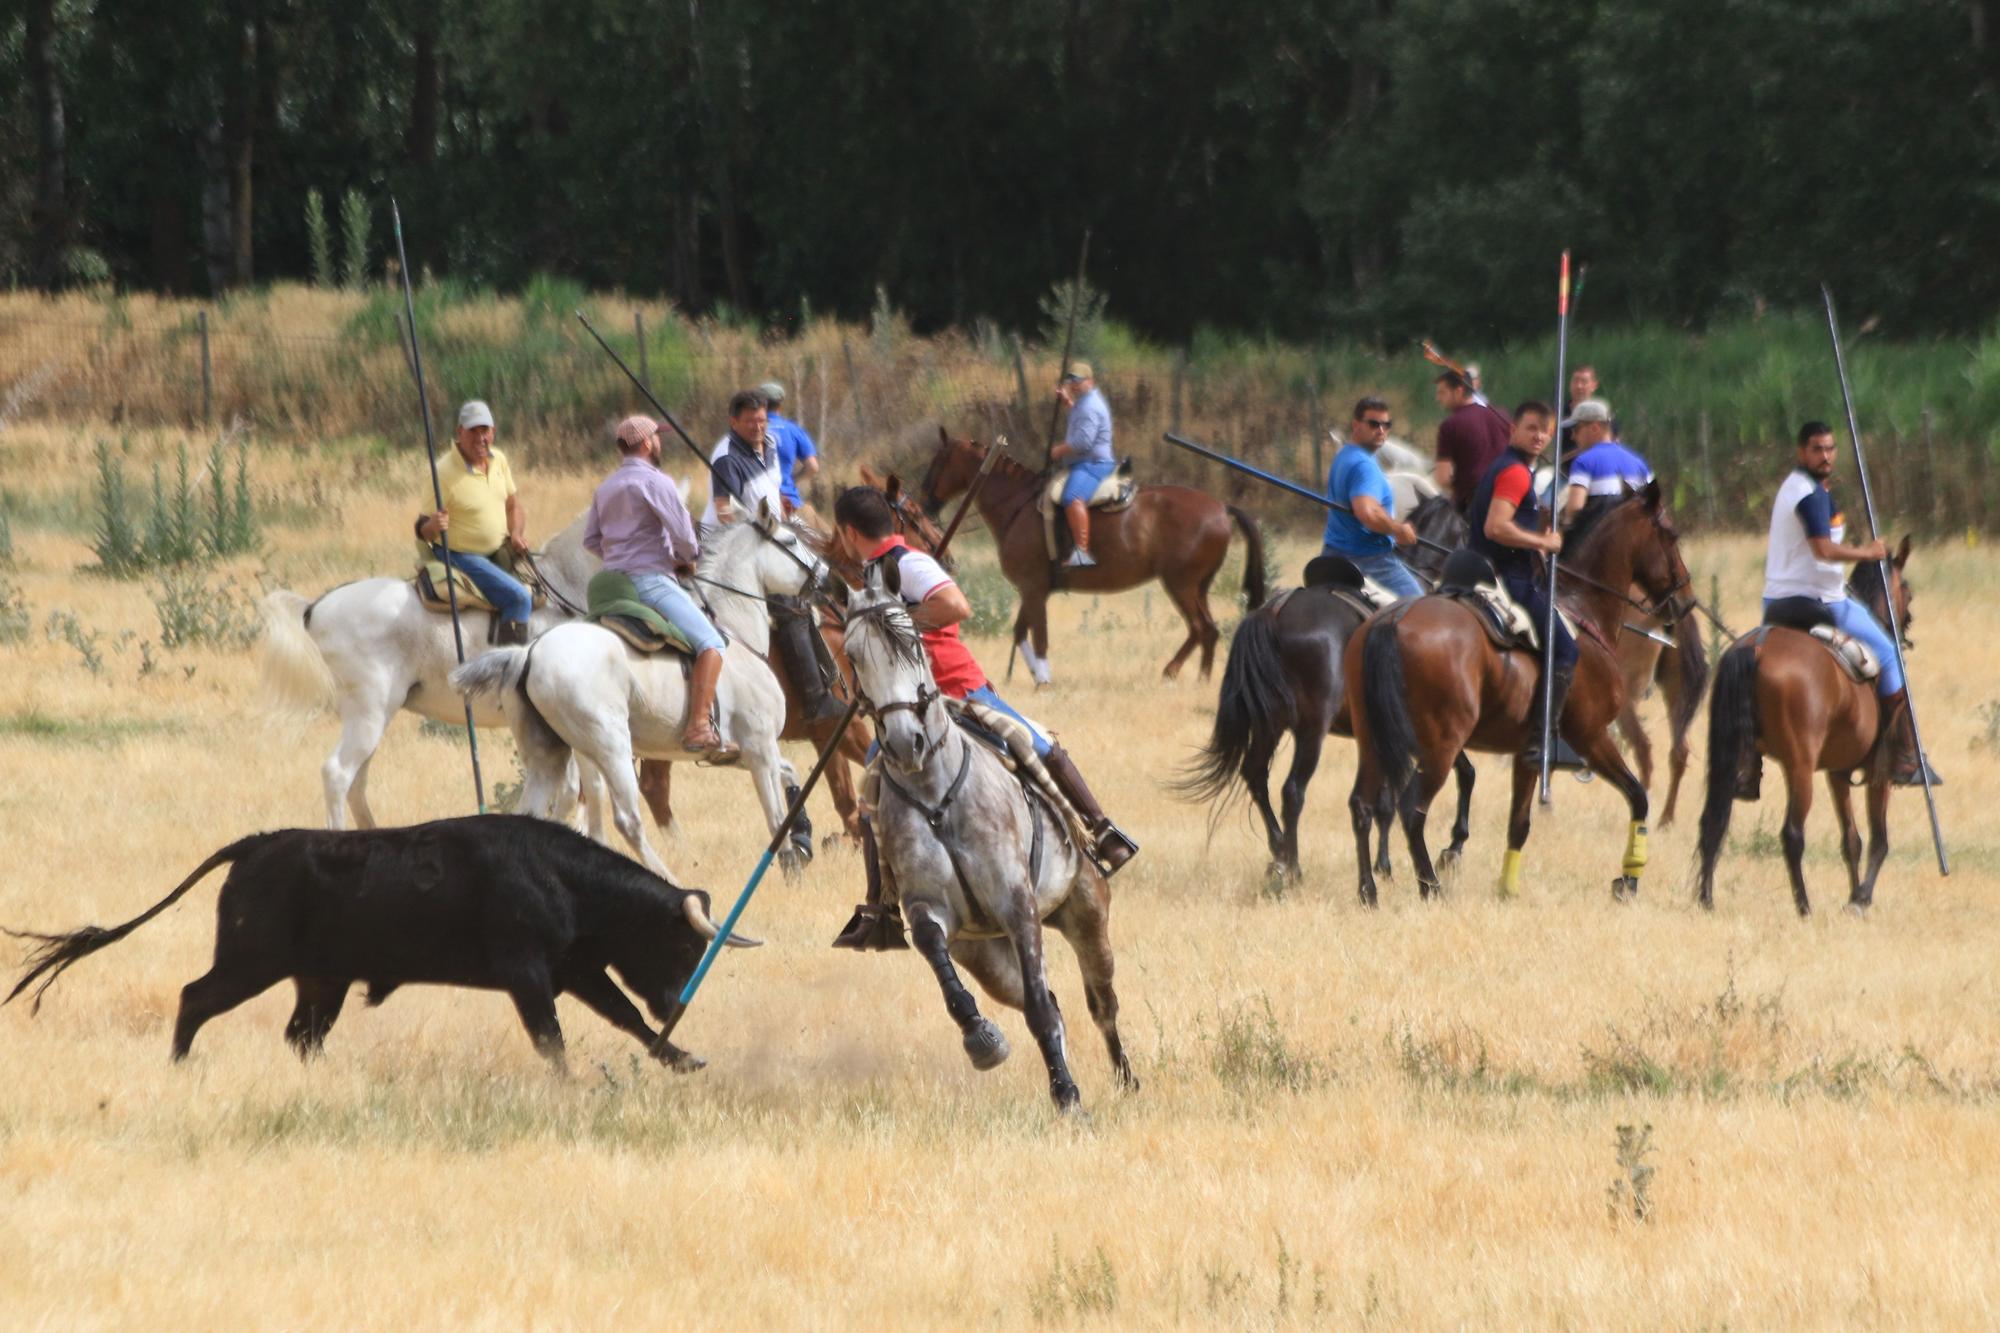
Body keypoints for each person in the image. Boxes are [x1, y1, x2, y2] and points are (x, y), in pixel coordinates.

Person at [828, 486, 1137, 949]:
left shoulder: (909, 564)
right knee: (873, 792)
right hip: (913, 705)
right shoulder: (871, 576)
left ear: (849, 533)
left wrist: (899, 622)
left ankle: (1100, 830)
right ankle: (881, 906)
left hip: (958, 689)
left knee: (1036, 742)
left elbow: (957, 606)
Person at [1763, 421, 1936, 785]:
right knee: (1889, 654)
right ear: (1801, 452)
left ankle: (1750, 758)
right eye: (1816, 449)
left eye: (1829, 448)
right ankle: (1902, 757)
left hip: (1775, 603)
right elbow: (1823, 550)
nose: (1825, 456)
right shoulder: (1809, 494)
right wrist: (1868, 552)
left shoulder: (1797, 487)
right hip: (1819, 601)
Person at [584, 416, 739, 762]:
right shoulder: (657, 482)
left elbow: (592, 540)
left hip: (611, 585)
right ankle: (699, 724)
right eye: (657, 437)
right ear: (646, 443)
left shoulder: (605, 487)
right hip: (650, 582)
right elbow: (684, 536)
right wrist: (684, 559)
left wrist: (619, 555)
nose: (660, 442)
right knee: (711, 641)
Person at [1465, 401, 1584, 769]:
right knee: (1566, 651)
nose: (1538, 436)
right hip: (1508, 578)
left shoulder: (1503, 467)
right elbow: (1496, 527)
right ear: (1513, 429)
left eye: (1544, 430)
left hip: (1479, 568)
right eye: (1531, 428)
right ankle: (1541, 741)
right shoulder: (1516, 473)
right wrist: (1542, 542)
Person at [415, 399, 533, 645]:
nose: (480, 438)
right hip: (460, 554)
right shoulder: (442, 472)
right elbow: (422, 528)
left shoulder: (499, 459)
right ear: (459, 432)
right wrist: (433, 526)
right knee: (520, 597)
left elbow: (513, 505)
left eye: (485, 430)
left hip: (498, 551)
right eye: (473, 431)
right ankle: (507, 665)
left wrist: (517, 533)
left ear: (493, 431)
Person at [1320, 397, 1424, 598]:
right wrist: (1397, 529)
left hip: (1331, 555)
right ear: (1356, 425)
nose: (1381, 430)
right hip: (1370, 561)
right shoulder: (1364, 466)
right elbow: (1366, 511)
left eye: (1387, 425)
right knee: (1424, 609)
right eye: (1374, 424)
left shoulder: (1344, 455)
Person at [1559, 398, 1653, 551]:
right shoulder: (1639, 462)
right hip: (1638, 546)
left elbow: (1575, 508)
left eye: (1576, 429)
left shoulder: (1584, 462)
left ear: (1595, 427)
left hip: (1601, 548)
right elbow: (1652, 506)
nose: (1573, 437)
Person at [1051, 361, 1116, 567]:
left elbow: (1083, 442)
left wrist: (1058, 450)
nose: (1075, 384)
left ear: (1090, 381)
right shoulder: (1085, 402)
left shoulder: (1090, 406)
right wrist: (1068, 402)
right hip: (1085, 462)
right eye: (1072, 380)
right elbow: (1080, 416)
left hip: (1093, 463)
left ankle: (1081, 551)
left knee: (1072, 497)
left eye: (1079, 380)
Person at [700, 389, 786, 529]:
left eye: (762, 420)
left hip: (770, 537)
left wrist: (784, 525)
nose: (758, 427)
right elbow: (724, 511)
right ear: (733, 422)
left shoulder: (770, 443)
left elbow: (773, 491)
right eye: (750, 422)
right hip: (731, 544)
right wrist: (756, 534)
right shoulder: (728, 458)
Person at [1431, 370, 1512, 515]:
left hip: (1474, 505)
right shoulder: (1502, 415)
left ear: (1459, 391)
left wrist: (1461, 483)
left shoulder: (1450, 425)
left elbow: (1442, 478)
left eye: (1442, 393)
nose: (1438, 398)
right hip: (1509, 499)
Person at [755, 380, 821, 517]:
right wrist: (792, 479)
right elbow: (813, 467)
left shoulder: (750, 430)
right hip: (789, 503)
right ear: (780, 405)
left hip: (757, 505)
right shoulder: (793, 430)